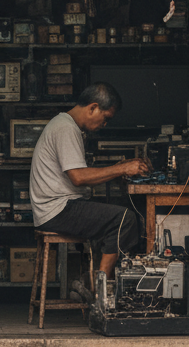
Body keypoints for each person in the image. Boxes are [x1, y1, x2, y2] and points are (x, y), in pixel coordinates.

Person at [28, 82, 150, 291]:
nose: (105, 125)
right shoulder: (66, 128)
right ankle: (100, 289)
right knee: (125, 219)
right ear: (93, 107)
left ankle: (92, 279)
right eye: (106, 119)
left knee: (113, 213)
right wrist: (121, 169)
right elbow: (78, 177)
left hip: (56, 207)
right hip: (57, 210)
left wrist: (118, 169)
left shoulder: (65, 125)